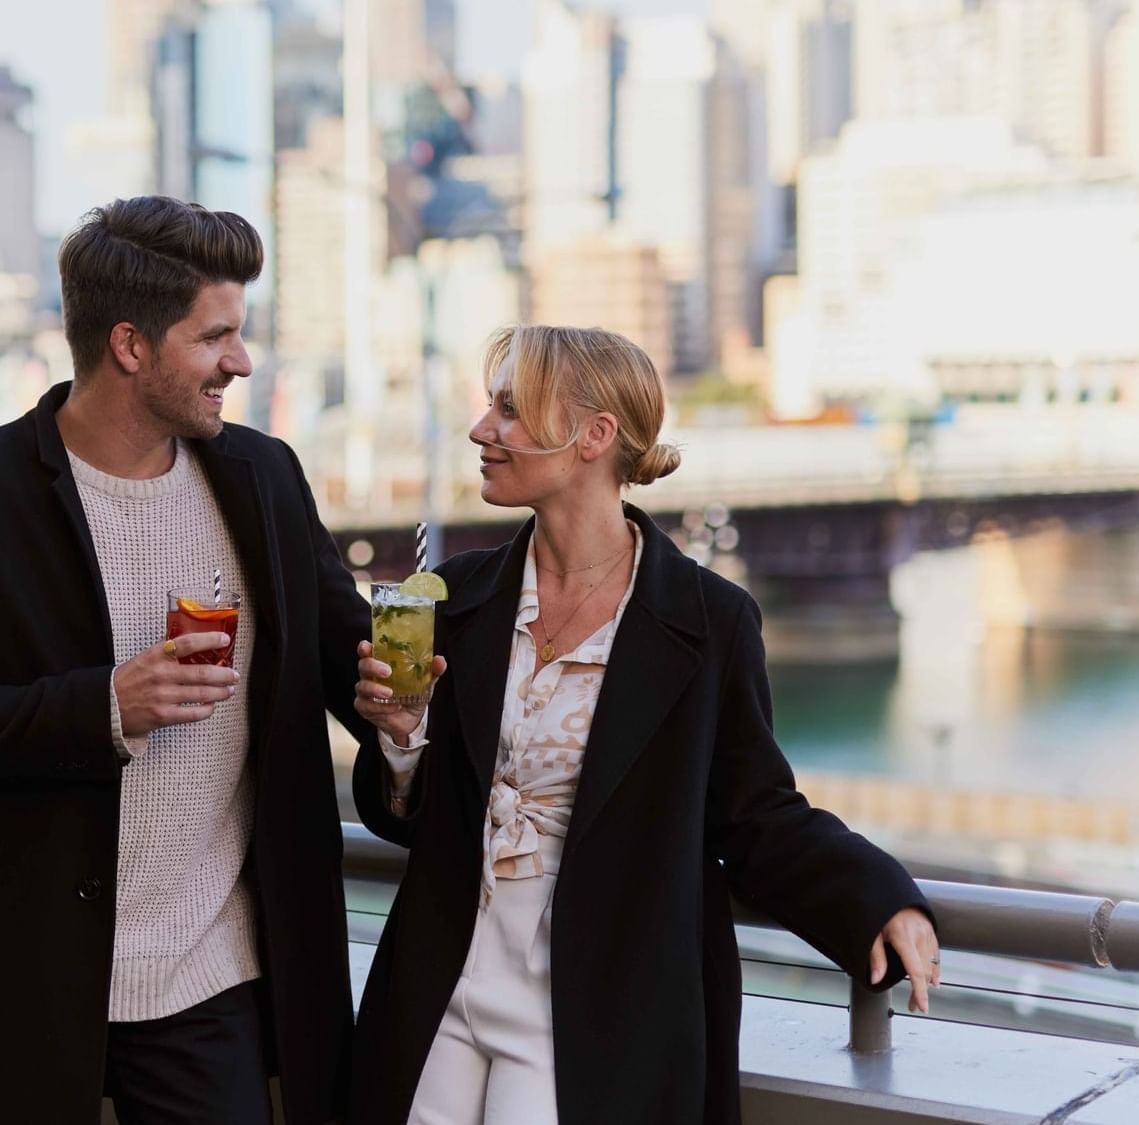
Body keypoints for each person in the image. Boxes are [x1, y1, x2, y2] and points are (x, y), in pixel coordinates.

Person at [347, 325, 940, 1125]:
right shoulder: (453, 599)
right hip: (437, 986)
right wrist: (398, 734)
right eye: (490, 407)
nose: (482, 430)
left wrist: (878, 897)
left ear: (594, 437)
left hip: (591, 1009)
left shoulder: (709, 620)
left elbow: (758, 813)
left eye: (511, 410)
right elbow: (406, 814)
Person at [0, 196, 370, 1124]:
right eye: (215, 337)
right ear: (131, 345)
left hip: (208, 974)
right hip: (26, 974)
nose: (242, 362)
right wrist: (106, 705)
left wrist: (400, 705)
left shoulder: (264, 476)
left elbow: (353, 666)